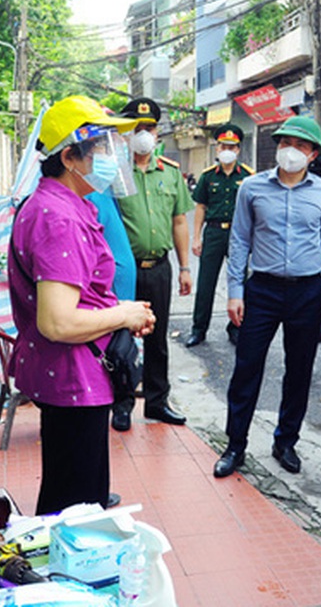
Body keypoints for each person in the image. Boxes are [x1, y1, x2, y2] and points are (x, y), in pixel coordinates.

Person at [8, 95, 156, 515]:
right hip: (74, 377)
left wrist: (123, 313)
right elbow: (57, 321)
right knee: (74, 510)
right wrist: (124, 314)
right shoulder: (58, 216)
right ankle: (64, 578)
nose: (113, 158)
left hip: (78, 375)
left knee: (76, 492)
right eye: (102, 149)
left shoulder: (64, 204)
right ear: (70, 156)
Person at [213, 116, 321, 478]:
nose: (292, 151)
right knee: (246, 368)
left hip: (308, 291)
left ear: (313, 153)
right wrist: (235, 292)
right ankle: (235, 445)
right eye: (287, 143)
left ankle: (286, 442)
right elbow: (239, 241)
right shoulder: (251, 188)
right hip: (262, 290)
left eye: (301, 146)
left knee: (299, 371)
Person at [111, 97, 194, 432]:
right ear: (126, 133)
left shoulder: (171, 174)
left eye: (149, 128)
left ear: (158, 133)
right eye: (137, 128)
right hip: (123, 271)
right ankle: (122, 404)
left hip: (159, 267)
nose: (143, 134)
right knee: (121, 338)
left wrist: (185, 267)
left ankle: (158, 402)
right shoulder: (113, 174)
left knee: (157, 338)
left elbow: (179, 222)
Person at [185, 124, 254, 348]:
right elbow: (201, 208)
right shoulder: (207, 177)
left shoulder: (248, 176)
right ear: (217, 148)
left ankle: (236, 328)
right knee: (206, 283)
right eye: (223, 146)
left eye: (231, 147)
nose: (227, 150)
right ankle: (199, 329)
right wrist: (197, 238)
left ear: (237, 150)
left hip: (238, 235)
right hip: (213, 232)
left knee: (239, 282)